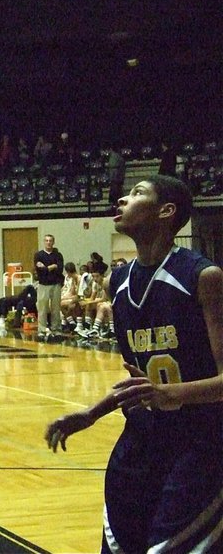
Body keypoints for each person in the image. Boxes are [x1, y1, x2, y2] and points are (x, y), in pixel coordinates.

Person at [45, 175, 223, 553]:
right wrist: (92, 414)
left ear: (166, 212)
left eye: (137, 193)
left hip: (199, 443)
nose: (122, 200)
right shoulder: (117, 282)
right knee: (119, 546)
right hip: (141, 440)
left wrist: (168, 393)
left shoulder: (202, 277)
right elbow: (138, 383)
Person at [34, 234, 64, 339]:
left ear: (53, 242)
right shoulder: (38, 255)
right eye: (46, 240)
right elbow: (39, 270)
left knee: (56, 308)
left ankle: (56, 329)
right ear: (44, 242)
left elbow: (60, 268)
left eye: (50, 240)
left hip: (56, 284)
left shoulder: (58, 255)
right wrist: (52, 266)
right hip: (43, 284)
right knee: (42, 308)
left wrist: (47, 267)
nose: (48, 242)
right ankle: (42, 330)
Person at [59, 262, 80, 333]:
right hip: (74, 297)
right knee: (61, 302)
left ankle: (68, 322)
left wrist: (70, 300)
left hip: (80, 298)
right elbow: (72, 292)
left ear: (68, 272)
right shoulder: (73, 279)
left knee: (62, 304)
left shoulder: (79, 278)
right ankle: (70, 323)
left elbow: (79, 294)